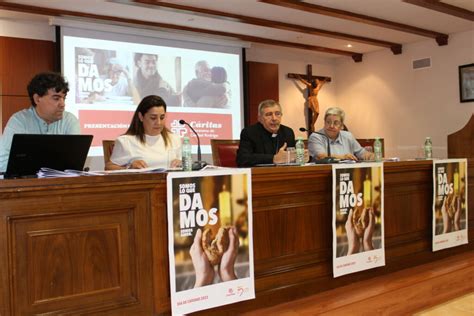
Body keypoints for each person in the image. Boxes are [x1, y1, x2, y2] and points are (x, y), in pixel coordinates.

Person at [0, 72, 80, 172]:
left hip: (61, 184)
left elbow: (75, 164)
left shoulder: (70, 120)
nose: (62, 104)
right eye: (56, 98)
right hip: (27, 184)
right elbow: (3, 163)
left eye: (64, 98)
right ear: (37, 99)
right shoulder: (19, 121)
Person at [105, 95, 182, 170]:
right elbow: (109, 167)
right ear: (141, 116)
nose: (158, 122)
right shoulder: (126, 141)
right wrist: (129, 167)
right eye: (153, 118)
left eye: (162, 117)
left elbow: (185, 164)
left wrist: (181, 163)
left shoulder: (174, 139)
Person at [236, 99, 309, 167]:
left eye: (277, 114)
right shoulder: (250, 132)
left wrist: (303, 157)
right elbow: (242, 159)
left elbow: (292, 157)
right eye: (268, 114)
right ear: (260, 118)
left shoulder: (287, 132)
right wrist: (273, 158)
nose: (274, 118)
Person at [308, 107, 374, 161]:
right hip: (322, 174)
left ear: (341, 126)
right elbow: (321, 156)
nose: (331, 126)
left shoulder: (348, 136)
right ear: (324, 122)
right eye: (328, 122)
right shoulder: (316, 136)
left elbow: (361, 153)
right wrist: (344, 156)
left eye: (336, 123)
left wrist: (372, 156)